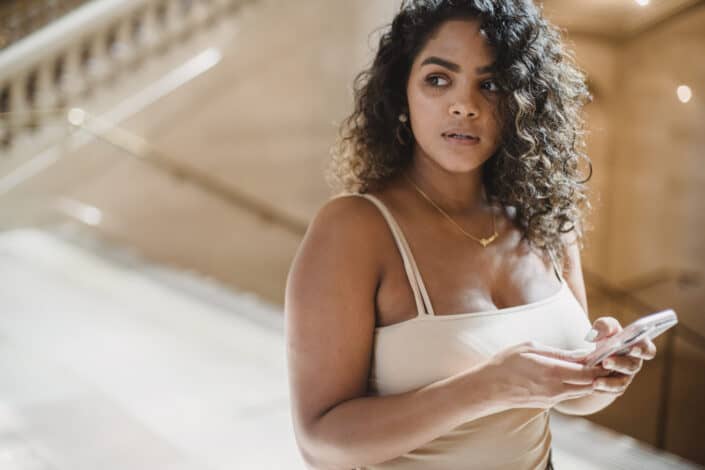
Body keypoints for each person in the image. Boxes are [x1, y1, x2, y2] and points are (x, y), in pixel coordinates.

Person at [285, 1, 657, 468]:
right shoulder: (354, 230)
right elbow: (320, 442)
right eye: (438, 79)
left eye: (493, 84)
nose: (464, 104)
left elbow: (570, 399)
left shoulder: (545, 221)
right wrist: (487, 387)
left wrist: (604, 374)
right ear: (402, 95)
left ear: (523, 100)